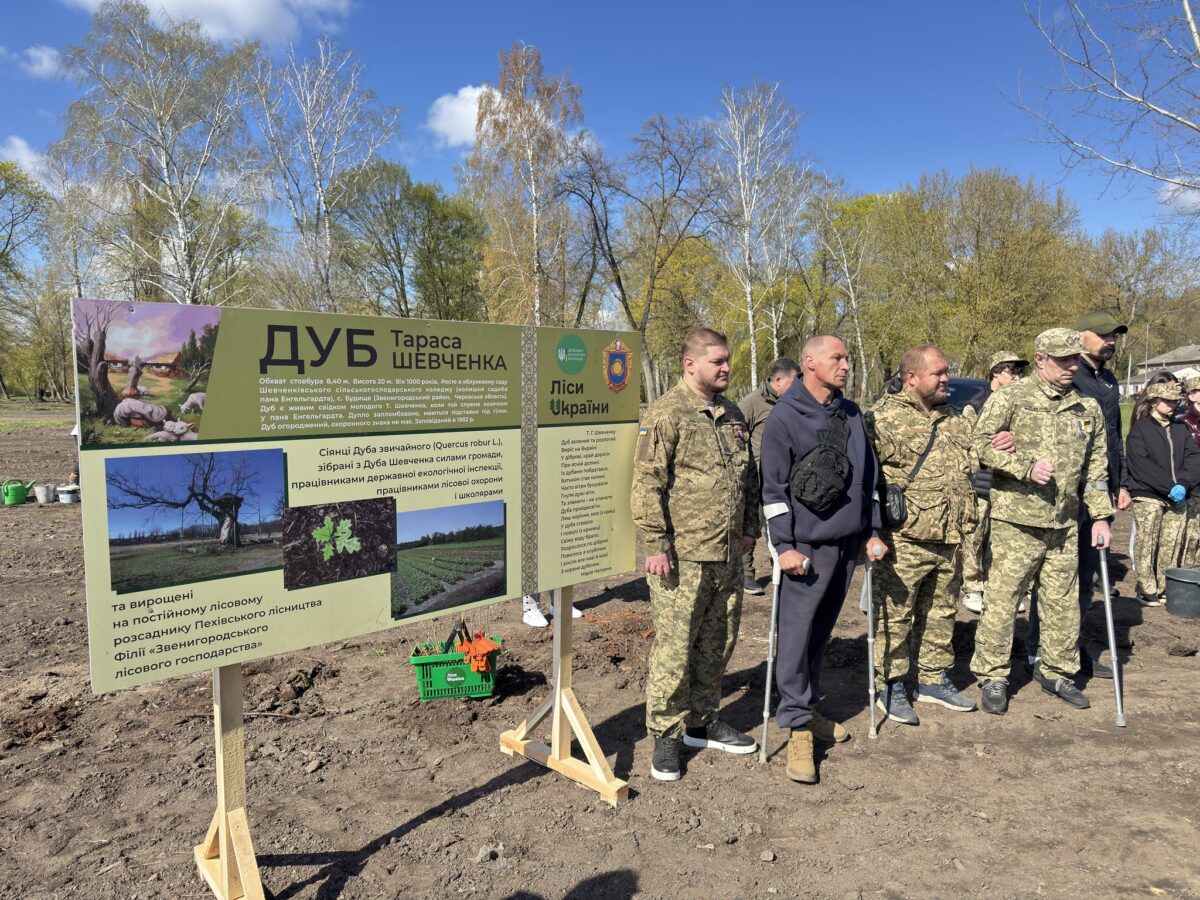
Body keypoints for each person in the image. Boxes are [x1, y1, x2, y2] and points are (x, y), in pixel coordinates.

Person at [632, 326, 761, 782]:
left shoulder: (731, 413)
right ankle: (666, 735)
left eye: (727, 360)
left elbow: (747, 478)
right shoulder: (666, 414)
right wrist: (656, 544)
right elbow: (647, 484)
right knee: (674, 648)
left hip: (727, 554)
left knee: (718, 642)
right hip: (683, 557)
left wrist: (750, 530)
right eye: (717, 361)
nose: (726, 367)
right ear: (690, 364)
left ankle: (703, 722)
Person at [759, 334, 888, 783]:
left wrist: (872, 531)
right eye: (837, 357)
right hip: (805, 551)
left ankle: (807, 708)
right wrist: (783, 546)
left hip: (847, 547)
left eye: (848, 357)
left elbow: (870, 478)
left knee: (820, 636)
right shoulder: (783, 417)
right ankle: (796, 725)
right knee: (796, 638)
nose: (846, 364)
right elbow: (773, 491)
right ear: (810, 363)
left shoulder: (851, 413)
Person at [970, 328, 1114, 715]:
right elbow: (978, 444)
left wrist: (1101, 516)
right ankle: (993, 675)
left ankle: (1056, 672)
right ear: (1040, 359)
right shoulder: (1011, 398)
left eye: (1075, 358)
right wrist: (1024, 466)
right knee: (1003, 602)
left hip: (1065, 523)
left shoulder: (1087, 408)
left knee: (1061, 604)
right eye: (1063, 359)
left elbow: (1096, 468)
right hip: (1016, 522)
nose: (1072, 366)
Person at [870, 345, 979, 723]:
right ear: (911, 378)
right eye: (938, 373)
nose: (946, 379)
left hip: (951, 535)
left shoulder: (955, 419)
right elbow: (867, 481)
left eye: (946, 371)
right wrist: (872, 531)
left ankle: (933, 678)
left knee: (942, 611)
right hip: (904, 538)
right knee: (895, 614)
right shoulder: (882, 419)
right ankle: (890, 683)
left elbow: (973, 461)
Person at [1025, 311, 1130, 678]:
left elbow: (1112, 438)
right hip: (1066, 493)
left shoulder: (1108, 380)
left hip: (1099, 492)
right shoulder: (1069, 378)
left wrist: (1122, 482)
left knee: (1084, 578)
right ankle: (1038, 648)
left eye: (1114, 336)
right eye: (1103, 335)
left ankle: (1070, 646)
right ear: (1080, 336)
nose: (1110, 341)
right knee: (1056, 579)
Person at [960, 351, 1028, 615]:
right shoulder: (976, 406)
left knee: (1002, 542)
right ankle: (973, 588)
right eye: (1012, 371)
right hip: (981, 483)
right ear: (995, 372)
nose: (1017, 376)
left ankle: (999, 591)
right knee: (975, 538)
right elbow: (973, 446)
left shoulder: (1021, 404)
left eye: (1020, 372)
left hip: (1010, 485)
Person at [1126, 382, 1200, 605]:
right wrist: (1168, 486)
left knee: (1171, 543)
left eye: (1174, 401)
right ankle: (1146, 587)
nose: (1171, 405)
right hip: (1148, 494)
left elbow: (1194, 458)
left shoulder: (1179, 428)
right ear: (1153, 402)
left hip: (1178, 494)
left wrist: (1184, 483)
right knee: (1147, 541)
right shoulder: (1141, 430)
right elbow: (1140, 464)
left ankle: (1164, 585)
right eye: (1166, 401)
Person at [738, 357, 801, 596]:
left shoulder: (794, 403)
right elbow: (736, 435)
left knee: (782, 522)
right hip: (756, 478)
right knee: (750, 524)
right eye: (794, 382)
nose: (798, 387)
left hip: (784, 477)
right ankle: (746, 574)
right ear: (778, 380)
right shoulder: (752, 403)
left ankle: (782, 566)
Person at [1182, 376, 1200, 567]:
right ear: (1192, 396)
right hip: (1194, 488)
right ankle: (1188, 574)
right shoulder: (1184, 422)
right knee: (1192, 536)